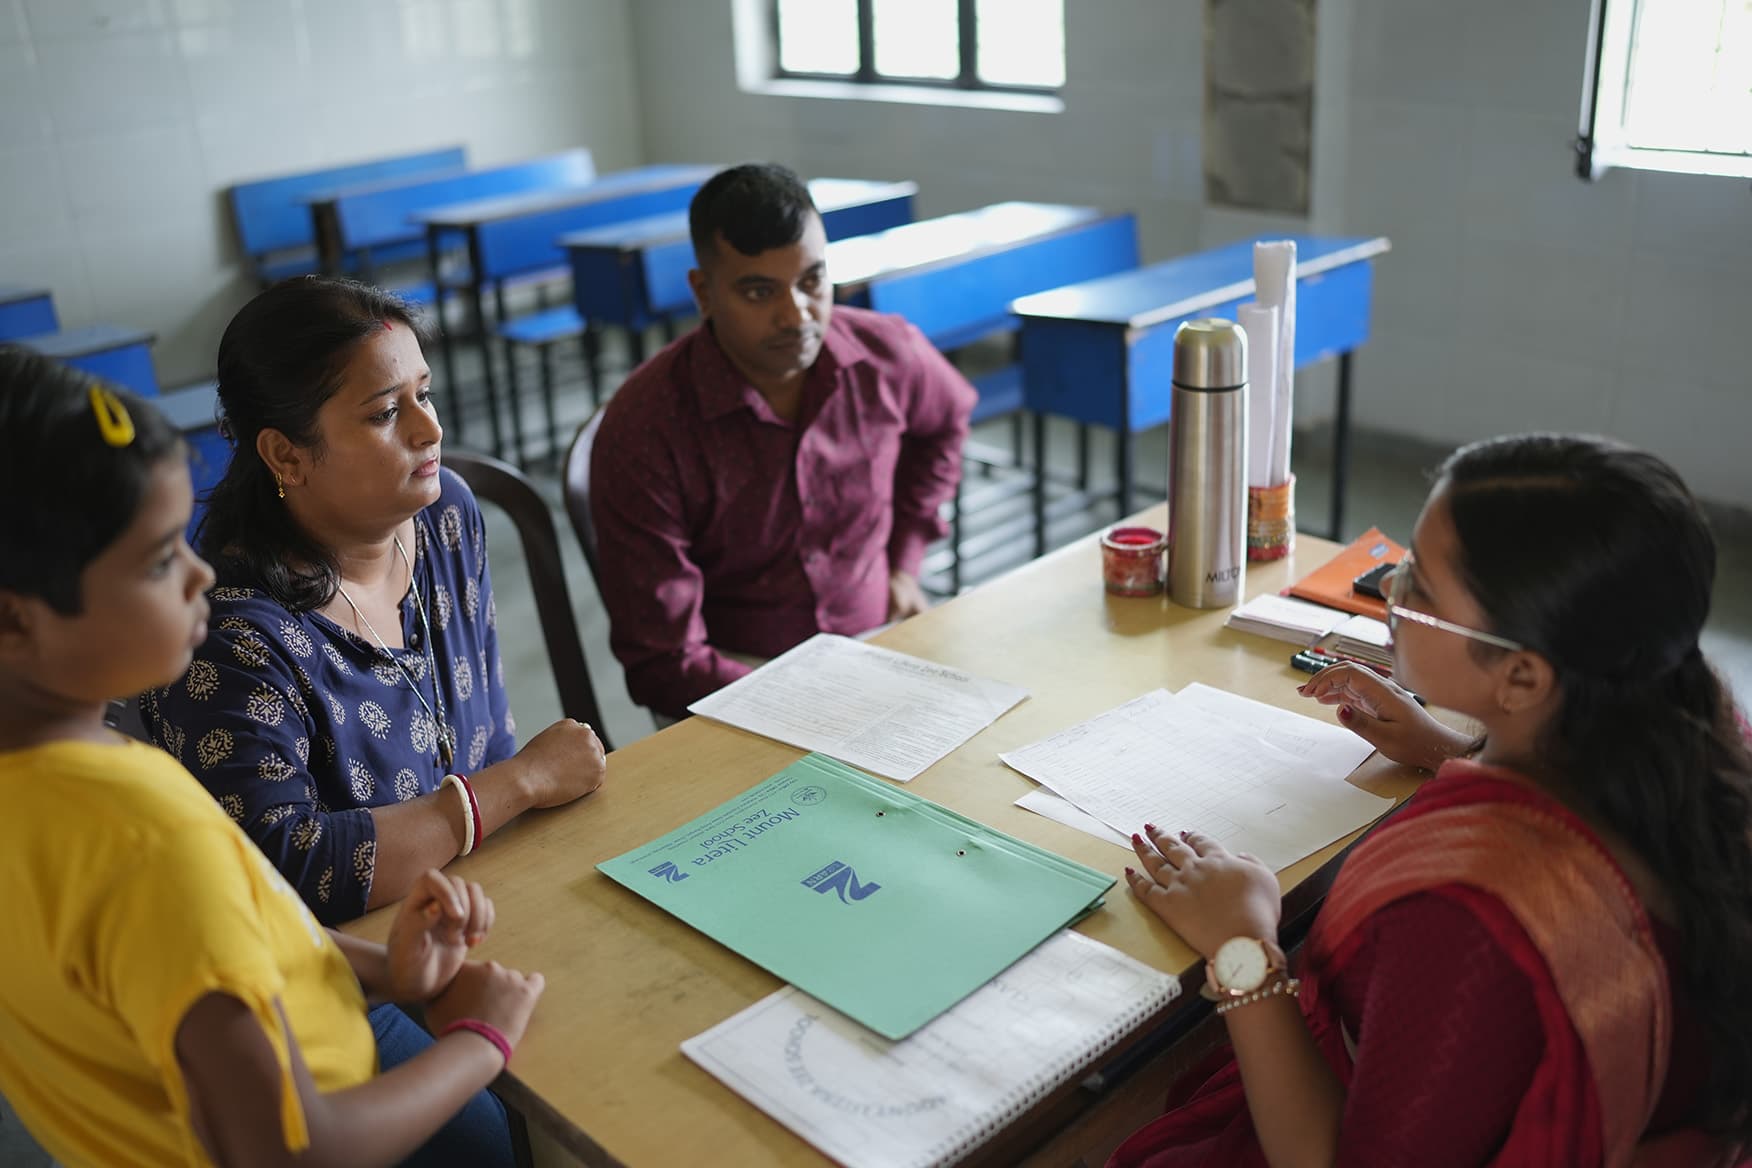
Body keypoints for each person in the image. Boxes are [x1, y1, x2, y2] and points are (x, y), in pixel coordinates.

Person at [1114, 434, 1750, 1167]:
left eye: (1420, 585)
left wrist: (1243, 947)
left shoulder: (1466, 916)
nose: (1389, 589)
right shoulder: (1699, 736)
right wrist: (1450, 748)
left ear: (1520, 678)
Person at [0, 347, 546, 1167]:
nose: (196, 574)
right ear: (14, 622)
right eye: (157, 560)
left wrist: (388, 971)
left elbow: (218, 948)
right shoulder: (142, 838)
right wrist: (479, 1043)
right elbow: (296, 1151)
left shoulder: (63, 778)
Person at [144, 277, 606, 1163]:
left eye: (424, 396)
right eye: (386, 412)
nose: (430, 431)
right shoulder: (236, 640)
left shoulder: (445, 522)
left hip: (486, 891)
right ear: (287, 454)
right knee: (498, 1144)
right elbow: (294, 873)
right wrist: (513, 789)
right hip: (349, 969)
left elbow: (477, 724)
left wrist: (502, 825)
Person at [590, 162, 978, 721]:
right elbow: (665, 663)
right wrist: (818, 705)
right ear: (704, 293)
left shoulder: (887, 353)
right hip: (733, 680)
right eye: (758, 291)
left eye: (812, 281)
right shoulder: (645, 430)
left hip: (880, 641)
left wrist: (904, 559)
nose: (796, 315)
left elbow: (947, 420)